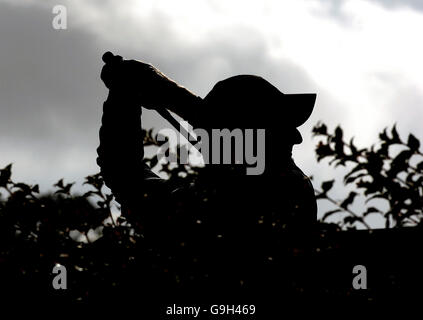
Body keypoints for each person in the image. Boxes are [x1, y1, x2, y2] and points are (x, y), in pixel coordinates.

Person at [96, 51, 317, 302]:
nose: (295, 136)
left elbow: (125, 174)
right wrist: (160, 93)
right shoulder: (279, 187)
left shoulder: (258, 191)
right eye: (280, 126)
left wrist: (128, 95)